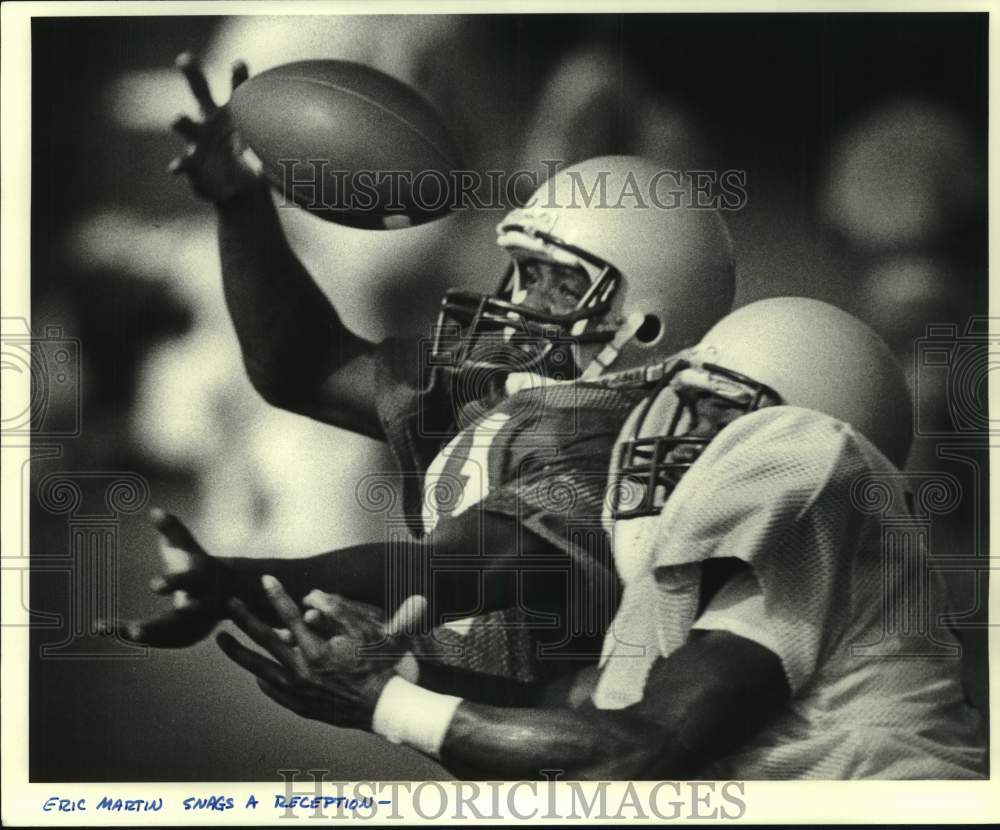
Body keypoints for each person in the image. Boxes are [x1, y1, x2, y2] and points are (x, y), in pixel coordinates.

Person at [105, 55, 736, 700]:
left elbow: (452, 566)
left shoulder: (611, 447)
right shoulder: (508, 389)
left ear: (648, 326)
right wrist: (241, 204)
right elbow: (303, 364)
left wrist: (240, 581)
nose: (521, 297)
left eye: (562, 282)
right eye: (524, 267)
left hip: (588, 769)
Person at [218, 298, 986, 780]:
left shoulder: (816, 466)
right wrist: (389, 669)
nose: (673, 429)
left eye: (715, 413)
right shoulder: (679, 590)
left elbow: (631, 754)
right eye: (677, 400)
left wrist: (384, 703)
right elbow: (571, 740)